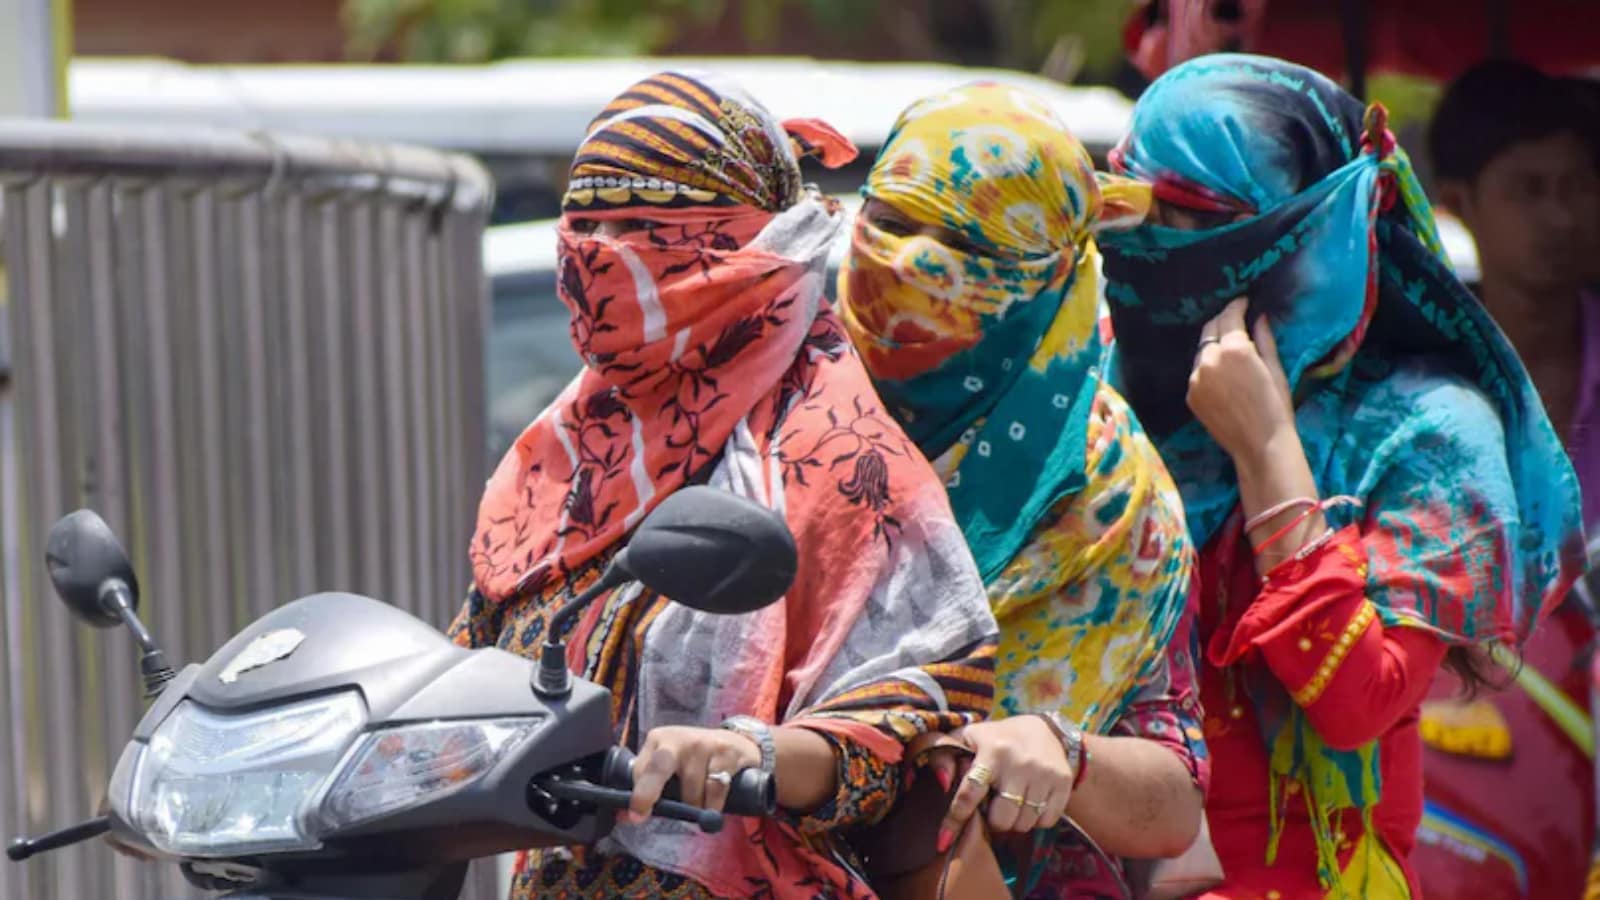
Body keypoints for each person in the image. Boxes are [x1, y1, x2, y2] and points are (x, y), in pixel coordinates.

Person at [449, 71, 1000, 899]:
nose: (599, 254)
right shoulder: (568, 450)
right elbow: (470, 661)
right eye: (585, 223)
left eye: (642, 227)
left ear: (741, 245)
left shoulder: (840, 457)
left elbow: (920, 710)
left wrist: (754, 754)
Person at [1097, 54, 1586, 898]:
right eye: (1138, 214)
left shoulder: (1423, 430)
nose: (1151, 252)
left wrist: (1266, 450)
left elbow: (1359, 702)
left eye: (1193, 222)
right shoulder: (1111, 394)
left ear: (1301, 234)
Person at [837, 82, 1208, 897]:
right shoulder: (771, 425)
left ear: (1050, 279)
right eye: (893, 223)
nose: (911, 266)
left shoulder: (1105, 492)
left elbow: (1176, 802)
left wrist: (1059, 755)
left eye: (967, 247)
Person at [1413, 61, 1600, 900]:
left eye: (1579, 186)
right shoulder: (1413, 380)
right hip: (1459, 766)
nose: (1562, 217)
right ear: (1456, 199)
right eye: (1528, 190)